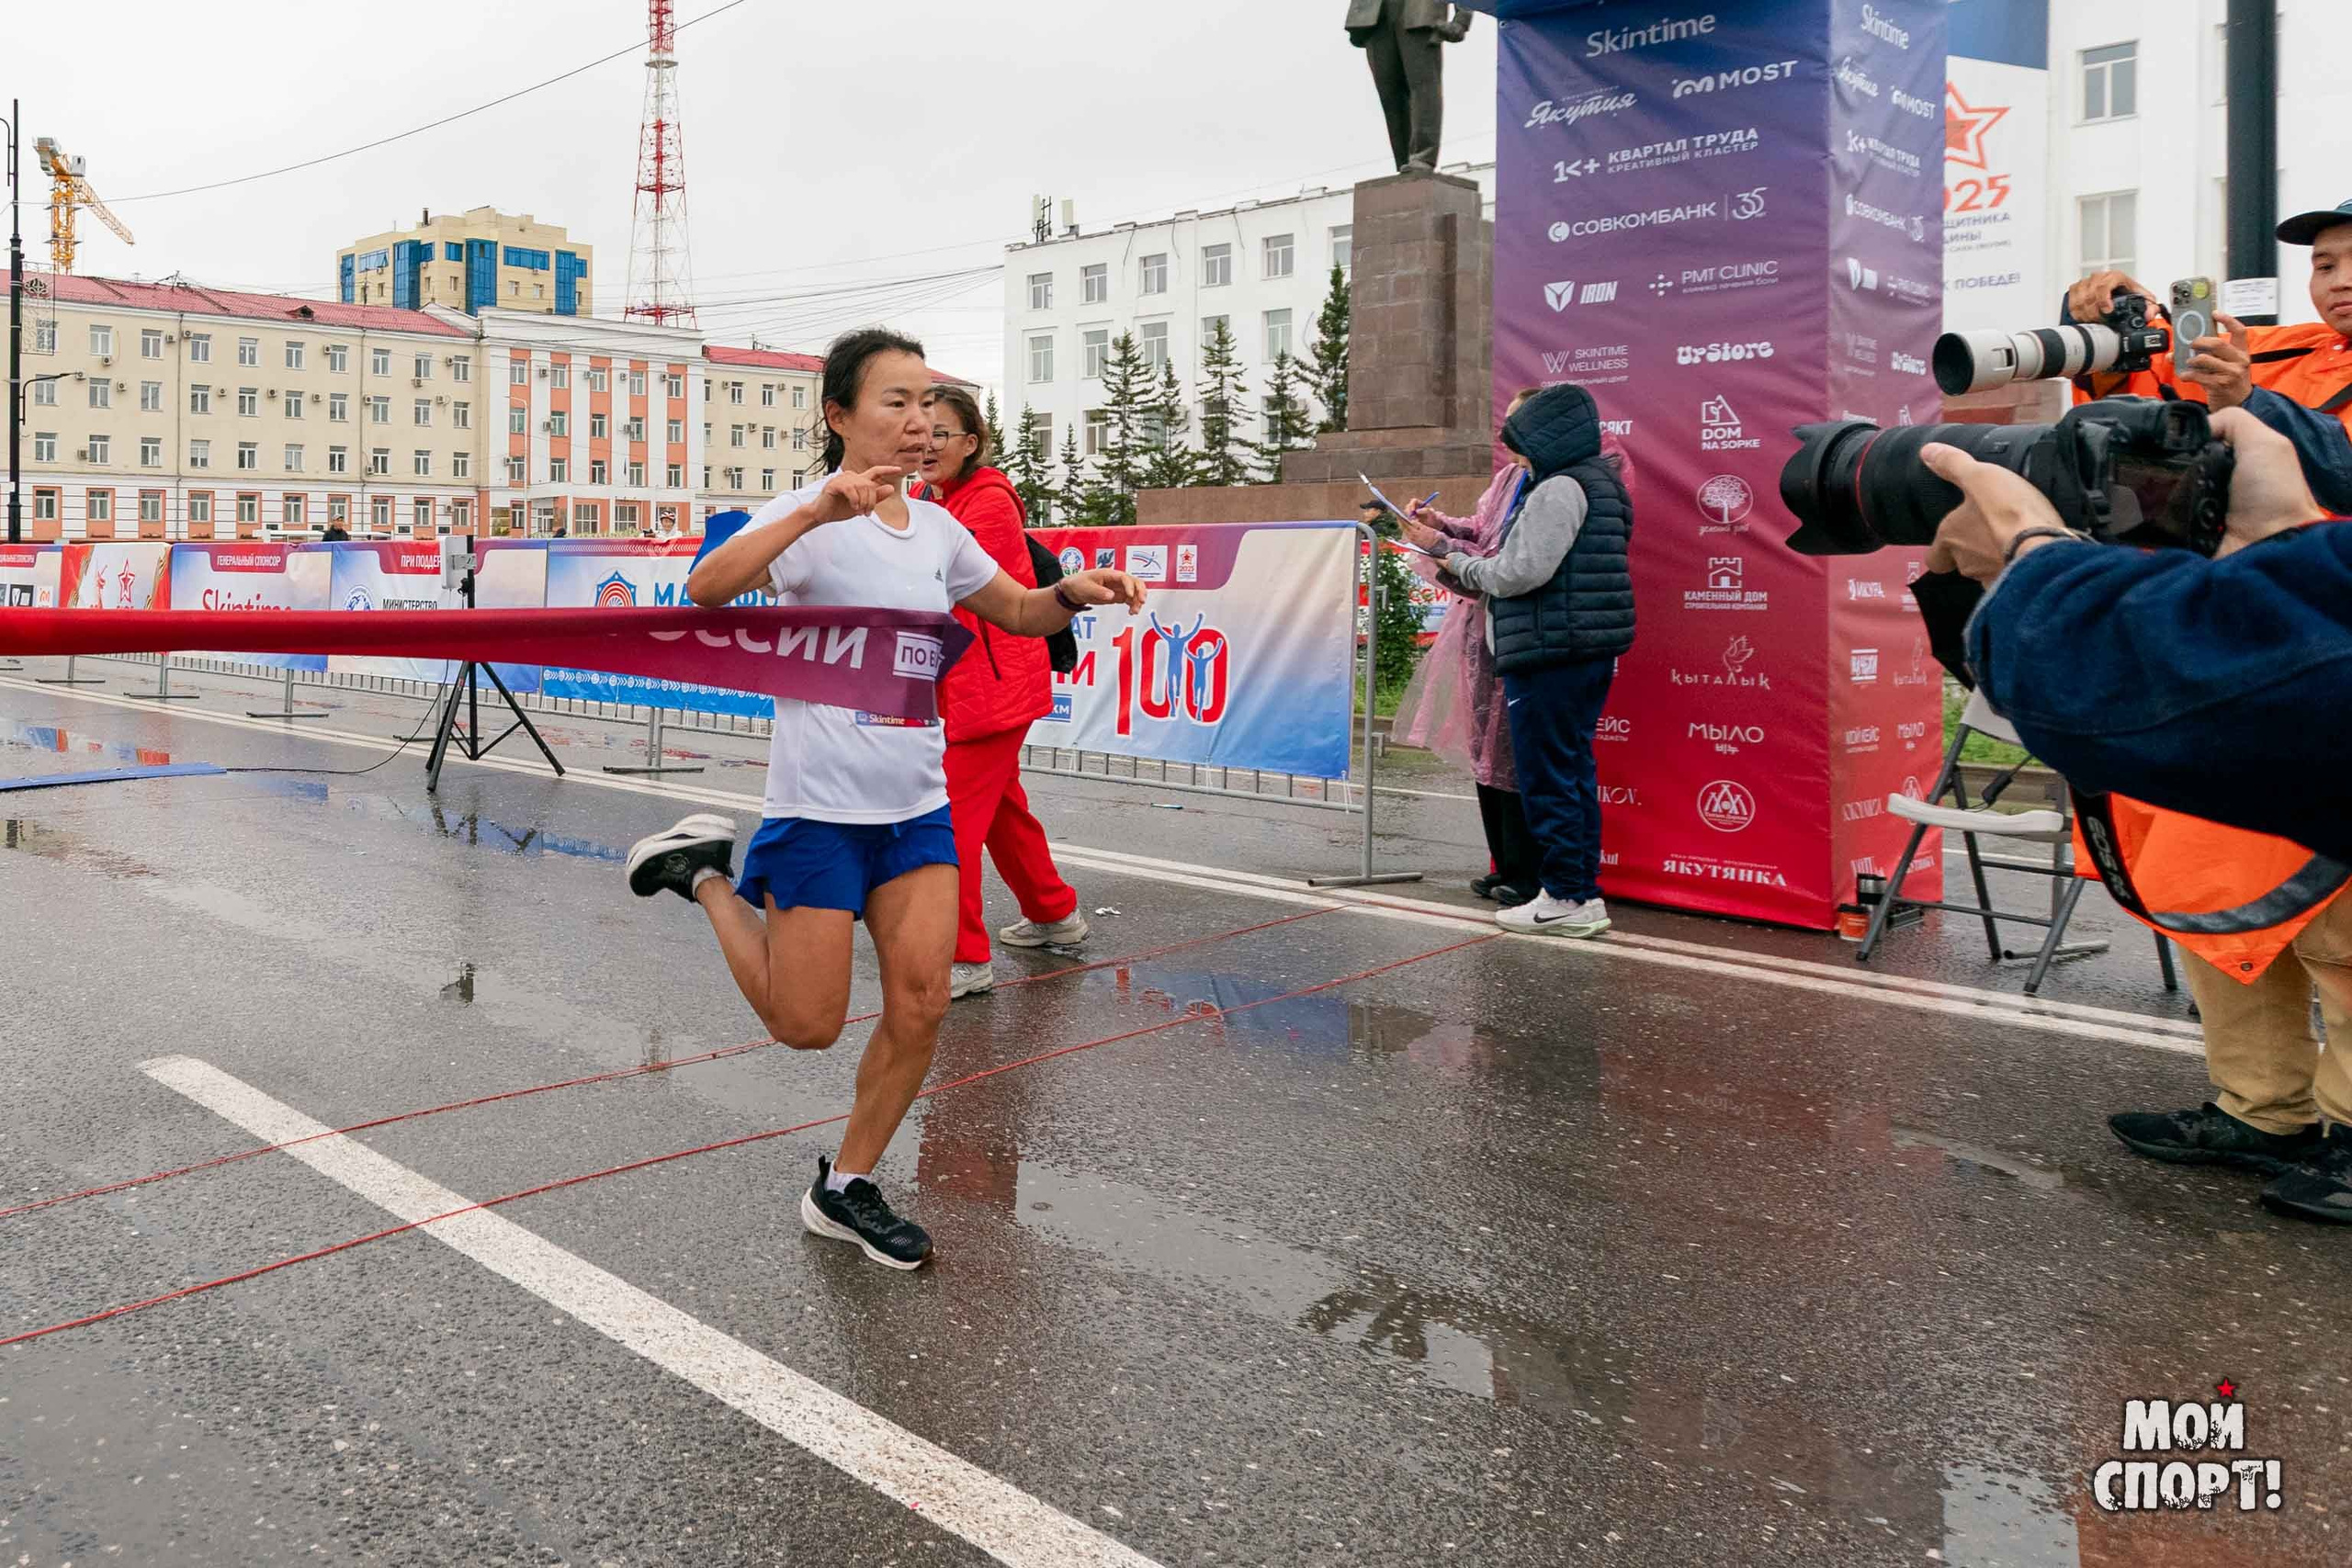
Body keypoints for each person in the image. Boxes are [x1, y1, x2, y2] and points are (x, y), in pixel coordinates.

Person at [625, 329, 1146, 1269]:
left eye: (927, 405)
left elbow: (1019, 615)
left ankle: (848, 1185)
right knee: (805, 1026)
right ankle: (702, 874)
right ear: (838, 416)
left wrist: (1070, 589)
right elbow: (706, 590)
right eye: (896, 403)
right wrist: (816, 514)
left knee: (923, 1005)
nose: (919, 423)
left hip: (914, 809)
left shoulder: (939, 529)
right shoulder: (802, 516)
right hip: (820, 808)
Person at [1924, 407, 2352, 1224]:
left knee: (2343, 951)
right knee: (2217, 923)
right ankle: (2260, 1110)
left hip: (2277, 718)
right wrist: (2284, 535)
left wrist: (2027, 554)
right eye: (2322, 264)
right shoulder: (2257, 394)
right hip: (2227, 744)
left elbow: (2300, 653)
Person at [1430, 383, 1631, 939]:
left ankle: (1567, 894)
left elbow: (1519, 572)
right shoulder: (1601, 482)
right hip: (1580, 648)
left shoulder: (1558, 488)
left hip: (1549, 649)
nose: (1515, 453)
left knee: (1549, 777)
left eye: (1522, 439)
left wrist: (1457, 563)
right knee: (1570, 773)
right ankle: (1577, 891)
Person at [917, 386, 1088, 1001]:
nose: (927, 442)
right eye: (919, 427)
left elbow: (942, 579)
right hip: (962, 683)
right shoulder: (928, 498)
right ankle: (1053, 912)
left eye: (942, 432)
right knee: (1000, 811)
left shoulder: (987, 501)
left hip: (989, 686)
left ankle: (964, 957)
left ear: (971, 442)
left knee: (949, 823)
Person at [2064, 197, 2352, 511]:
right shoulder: (2304, 345)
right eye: (2325, 266)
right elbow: (2164, 363)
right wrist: (2111, 313)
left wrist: (2247, 401)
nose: (2340, 282)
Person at [1344, 0, 1474, 175]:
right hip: (1376, 15)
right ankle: (1404, 162)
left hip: (1420, 12)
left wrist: (1461, 20)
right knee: (1390, 96)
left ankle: (1423, 157)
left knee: (1424, 89)